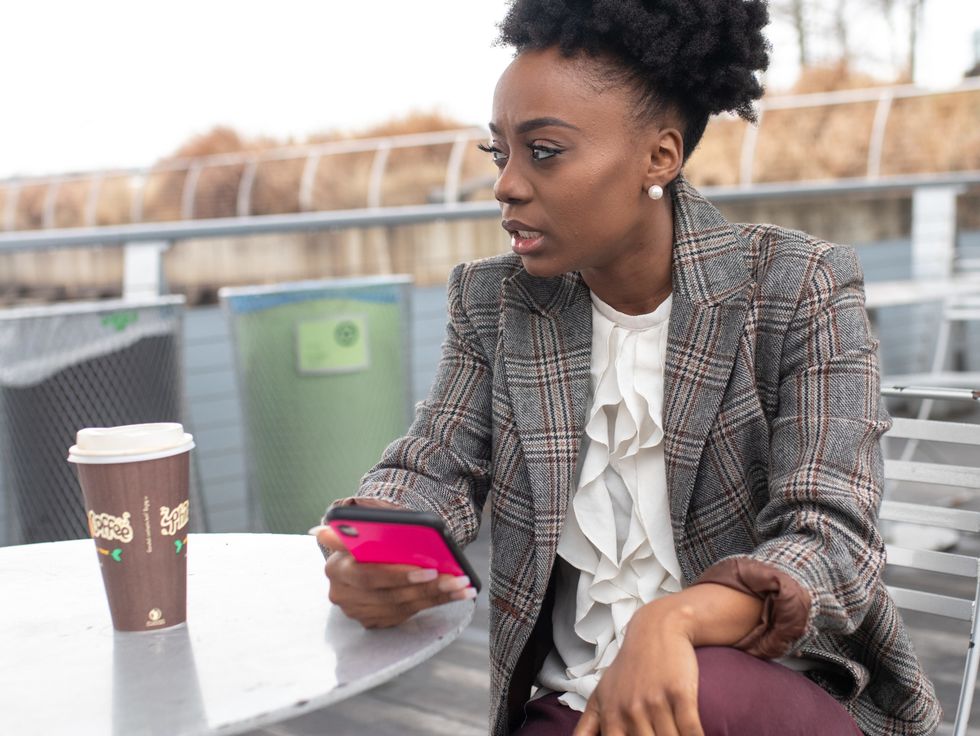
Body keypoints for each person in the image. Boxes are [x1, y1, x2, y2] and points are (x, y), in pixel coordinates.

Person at [314, 1, 942, 734]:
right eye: (499, 152)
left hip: (770, 693)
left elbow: (832, 541)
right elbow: (433, 462)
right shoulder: (495, 303)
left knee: (698, 691)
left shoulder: (798, 286)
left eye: (543, 150)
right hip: (579, 706)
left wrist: (672, 623)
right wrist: (379, 539)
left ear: (660, 157)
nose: (506, 184)